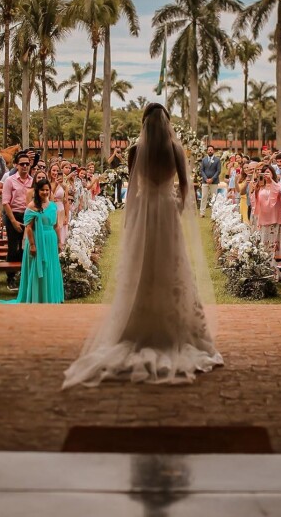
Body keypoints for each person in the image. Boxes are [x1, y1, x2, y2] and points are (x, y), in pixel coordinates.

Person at [62, 103, 223, 389]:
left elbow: (133, 190)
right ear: (168, 123)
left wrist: (131, 220)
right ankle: (175, 332)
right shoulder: (175, 149)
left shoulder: (135, 151)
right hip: (166, 210)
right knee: (171, 265)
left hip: (145, 210)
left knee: (142, 264)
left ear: (144, 123)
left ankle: (135, 327)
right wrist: (175, 204)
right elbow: (186, 187)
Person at [1, 178, 64, 304]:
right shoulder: (31, 206)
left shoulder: (53, 206)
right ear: (37, 191)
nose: (45, 192)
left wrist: (59, 242)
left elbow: (56, 226)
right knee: (37, 268)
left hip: (50, 239)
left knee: (49, 267)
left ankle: (50, 297)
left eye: (47, 190)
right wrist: (33, 245)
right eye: (42, 190)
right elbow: (28, 228)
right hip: (36, 240)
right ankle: (37, 297)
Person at [2, 151, 33, 291]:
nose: (25, 166)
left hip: (28, 216)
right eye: (22, 164)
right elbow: (5, 203)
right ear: (16, 165)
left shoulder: (33, 181)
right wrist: (13, 221)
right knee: (13, 248)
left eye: (27, 164)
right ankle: (10, 278)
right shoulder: (10, 180)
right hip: (13, 215)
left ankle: (25, 276)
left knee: (26, 247)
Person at [199, 145, 221, 217]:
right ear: (207, 151)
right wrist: (206, 179)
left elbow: (218, 171)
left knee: (214, 197)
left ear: (213, 151)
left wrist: (212, 179)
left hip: (214, 182)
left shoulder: (217, 160)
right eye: (209, 150)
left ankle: (214, 213)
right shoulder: (204, 160)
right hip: (205, 181)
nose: (210, 151)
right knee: (204, 197)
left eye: (211, 150)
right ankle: (202, 213)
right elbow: (202, 170)